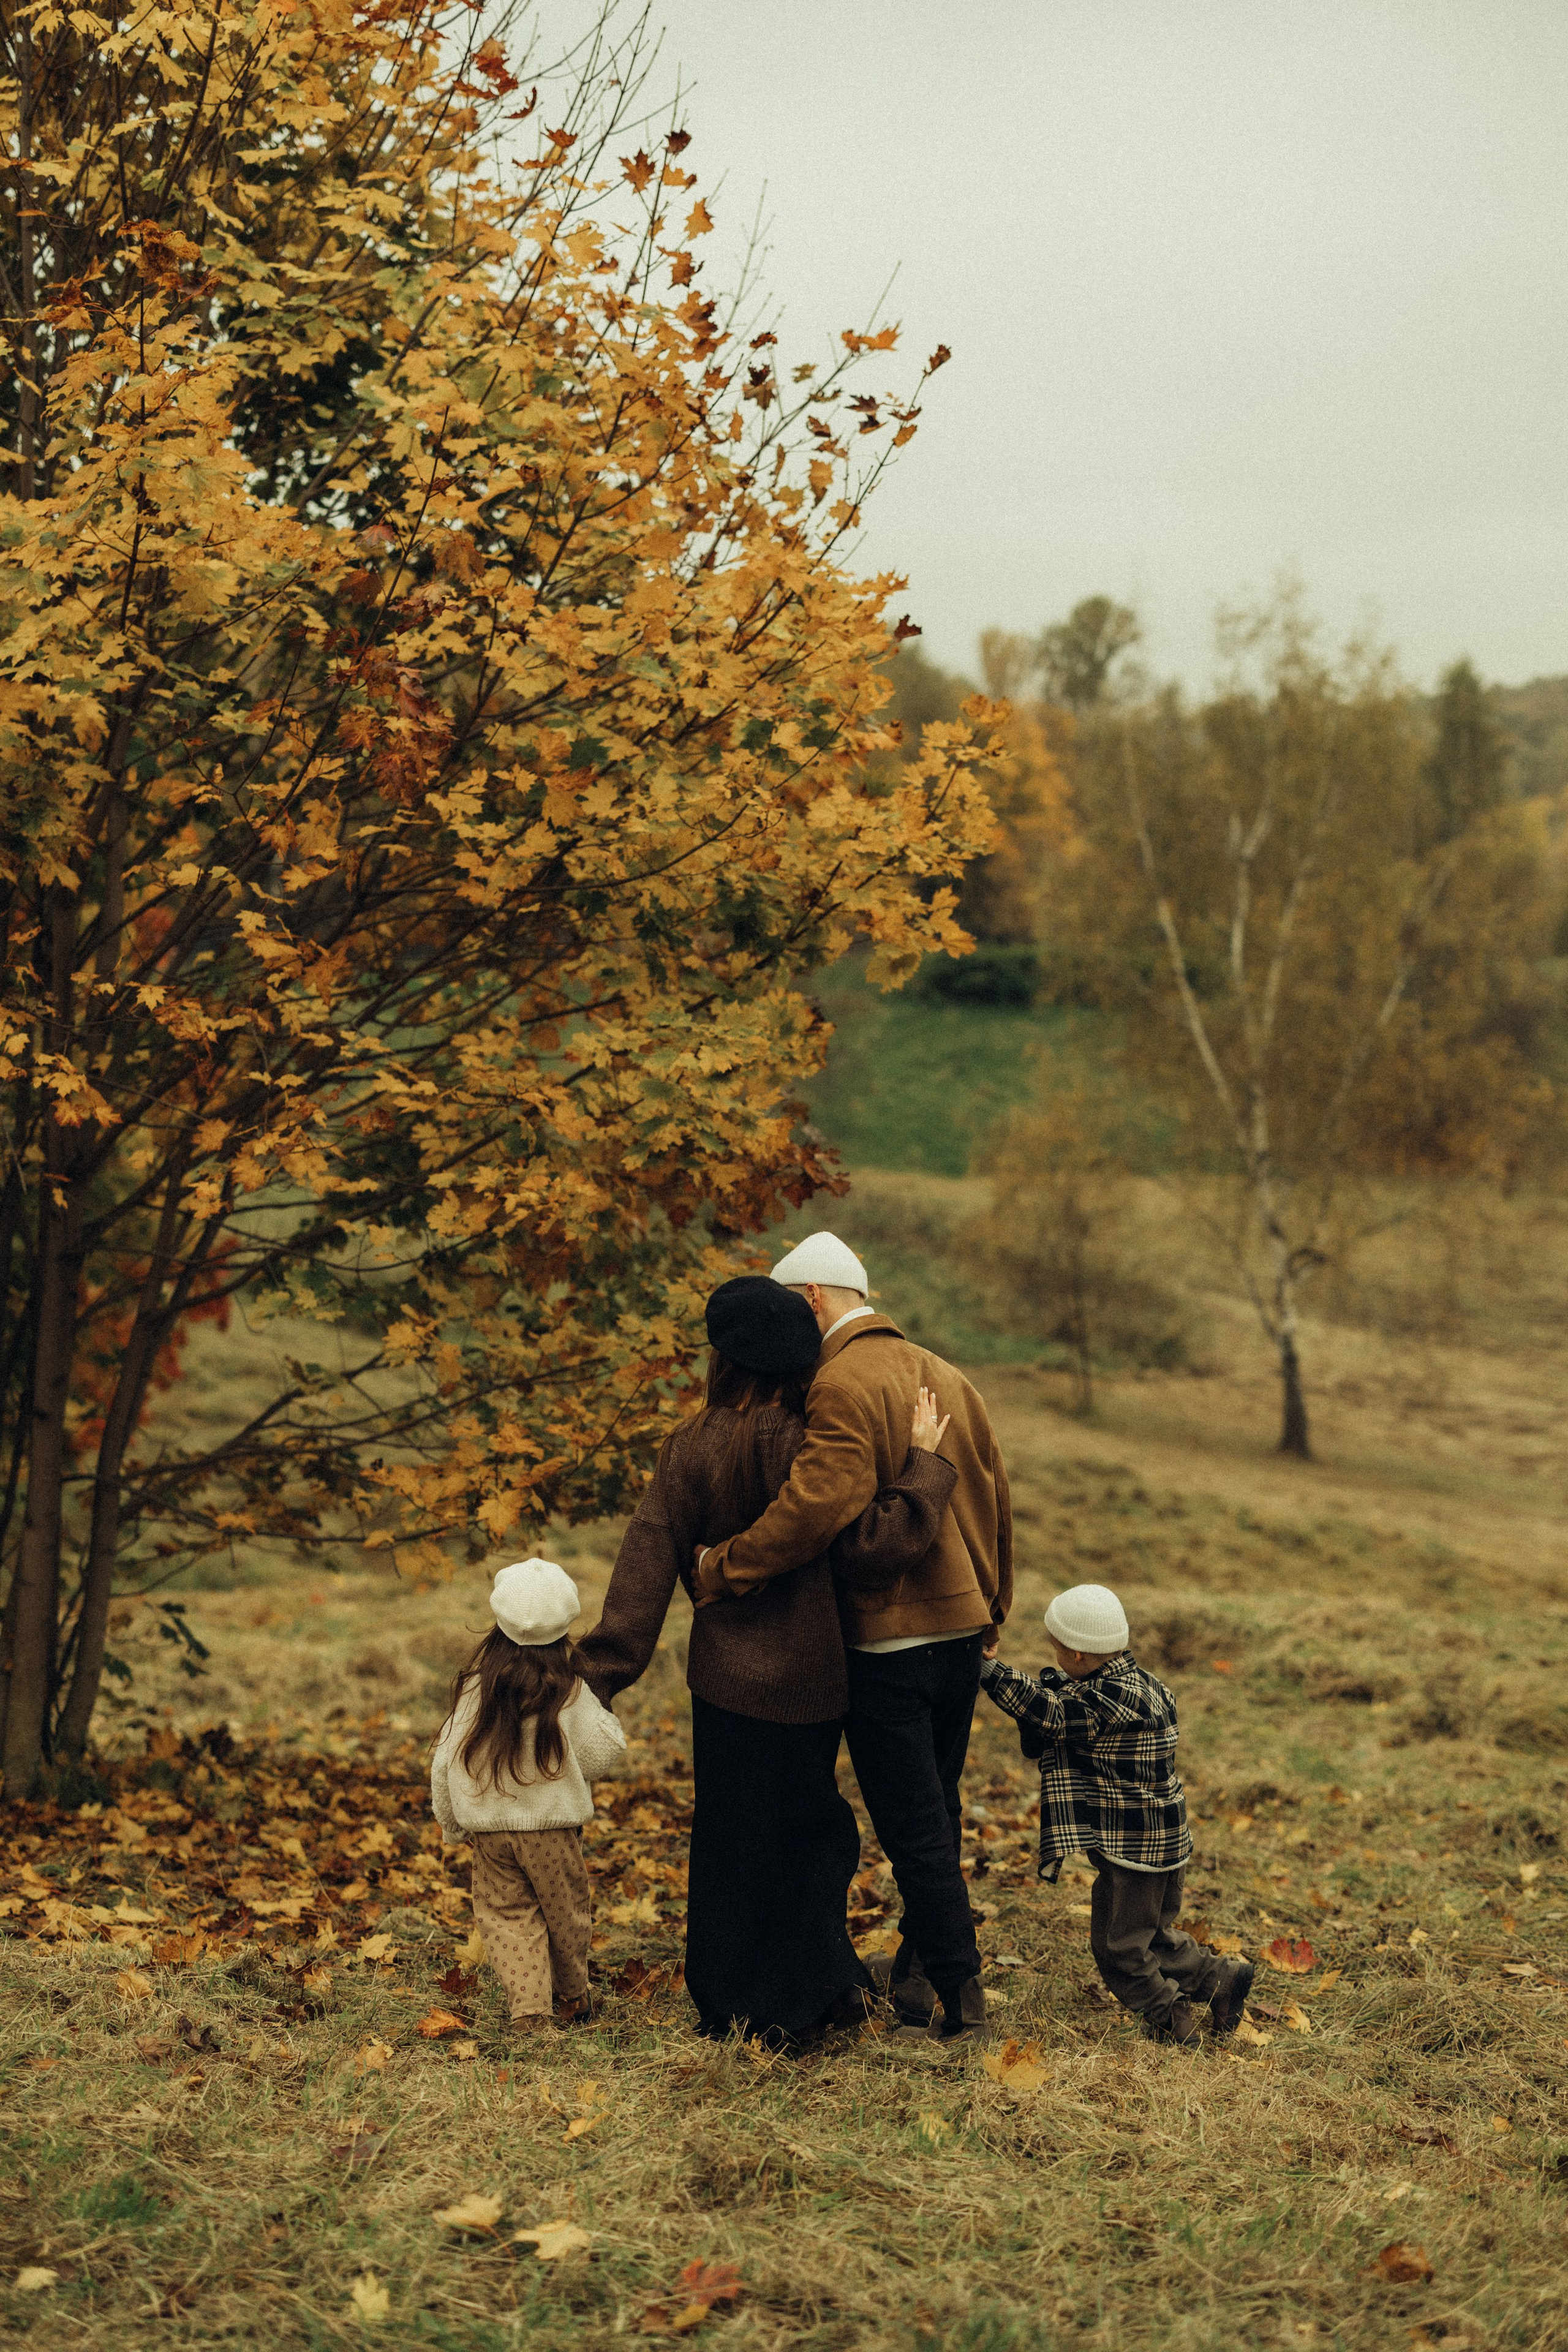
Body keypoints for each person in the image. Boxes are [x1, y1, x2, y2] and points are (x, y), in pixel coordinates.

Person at [575, 1274, 957, 2047]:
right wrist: (922, 1469)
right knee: (811, 1834)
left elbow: (647, 1555)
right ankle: (815, 1990)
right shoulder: (812, 1446)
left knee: (727, 1838)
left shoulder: (688, 1444)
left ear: (722, 1358)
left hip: (722, 1682)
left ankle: (728, 1999)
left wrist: (601, 1672)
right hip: (813, 1681)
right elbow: (875, 1551)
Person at [693, 1232, 1012, 2048]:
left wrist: (727, 1565)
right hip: (963, 1628)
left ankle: (960, 1998)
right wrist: (996, 1605)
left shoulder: (837, 1384)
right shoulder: (948, 1375)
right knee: (935, 1811)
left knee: (913, 1828)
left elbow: (811, 1511)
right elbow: (997, 1497)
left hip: (889, 1638)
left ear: (809, 1300)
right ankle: (915, 1977)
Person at [977, 1579, 1254, 2046]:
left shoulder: (1112, 1699)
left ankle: (1170, 2018)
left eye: (1057, 1647)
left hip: (1135, 1847)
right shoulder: (1143, 1684)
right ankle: (1219, 1981)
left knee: (1118, 1947)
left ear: (1081, 1656)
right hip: (1163, 1842)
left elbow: (1054, 1714)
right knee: (1151, 1935)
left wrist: (990, 1672)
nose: (1055, 1654)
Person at [431, 1558, 627, 2031]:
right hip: (552, 1832)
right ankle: (573, 1998)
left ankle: (529, 2011)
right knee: (565, 1916)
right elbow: (604, 1754)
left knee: (507, 1918)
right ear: (566, 1628)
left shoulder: (476, 1691)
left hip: (491, 1835)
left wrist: (452, 1823)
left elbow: (443, 1762)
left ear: (498, 1625)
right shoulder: (570, 1694)